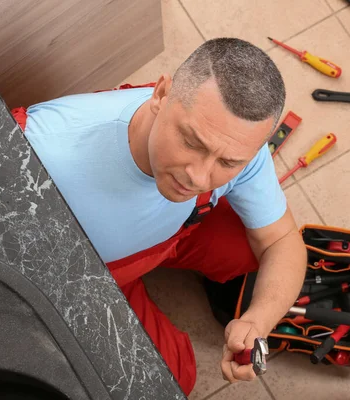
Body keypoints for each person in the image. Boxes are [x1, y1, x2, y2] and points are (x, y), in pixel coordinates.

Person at [16, 38, 307, 395]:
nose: (200, 177)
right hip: (88, 272)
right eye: (192, 142)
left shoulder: (237, 140)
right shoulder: (37, 158)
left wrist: (258, 318)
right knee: (173, 377)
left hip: (169, 235)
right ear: (160, 93)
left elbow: (281, 240)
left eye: (228, 162)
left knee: (244, 250)